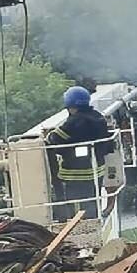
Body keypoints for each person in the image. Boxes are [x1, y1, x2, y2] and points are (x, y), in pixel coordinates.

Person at [45, 86, 115, 220]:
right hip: (97, 170)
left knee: (76, 204)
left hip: (75, 174)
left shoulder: (75, 121)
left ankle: (78, 224)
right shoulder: (98, 117)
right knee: (92, 200)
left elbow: (54, 138)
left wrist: (49, 136)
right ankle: (93, 219)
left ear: (69, 104)